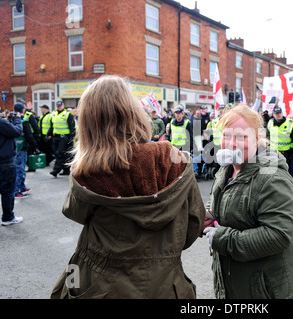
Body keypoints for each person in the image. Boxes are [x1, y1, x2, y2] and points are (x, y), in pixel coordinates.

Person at [50, 75, 204, 299]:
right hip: (165, 286)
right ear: (134, 112)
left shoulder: (87, 169)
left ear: (88, 123)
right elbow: (192, 226)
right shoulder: (171, 159)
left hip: (101, 286)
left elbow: (75, 213)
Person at [203, 104, 293, 299]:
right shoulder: (227, 169)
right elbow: (221, 201)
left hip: (265, 290)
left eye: (241, 136)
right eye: (227, 135)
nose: (231, 143)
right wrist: (208, 214)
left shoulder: (273, 178)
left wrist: (223, 239)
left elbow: (279, 234)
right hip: (236, 283)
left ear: (258, 139)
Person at [0, 109, 23, 226]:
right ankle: (8, 217)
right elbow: (16, 132)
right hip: (5, 162)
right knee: (7, 192)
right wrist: (17, 120)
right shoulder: (1, 122)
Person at [266, 106, 293, 182]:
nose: (278, 115)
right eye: (276, 113)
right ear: (273, 115)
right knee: (275, 175)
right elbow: (267, 137)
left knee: (288, 175)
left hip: (287, 154)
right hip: (274, 153)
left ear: (282, 113)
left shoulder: (290, 123)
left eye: (280, 113)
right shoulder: (270, 123)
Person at [12, 103, 39, 199]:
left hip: (14, 148)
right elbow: (29, 136)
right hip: (22, 148)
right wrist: (35, 147)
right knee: (19, 170)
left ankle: (22, 187)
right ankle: (17, 191)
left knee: (19, 169)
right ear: (23, 110)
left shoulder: (11, 120)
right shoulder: (23, 122)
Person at [47, 101, 76, 177]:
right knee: (63, 154)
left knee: (59, 153)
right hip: (56, 137)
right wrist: (49, 134)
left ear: (63, 106)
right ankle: (66, 170)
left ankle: (56, 170)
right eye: (57, 106)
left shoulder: (68, 114)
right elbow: (53, 125)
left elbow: (72, 128)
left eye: (60, 106)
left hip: (64, 138)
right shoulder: (54, 114)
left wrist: (71, 138)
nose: (59, 107)